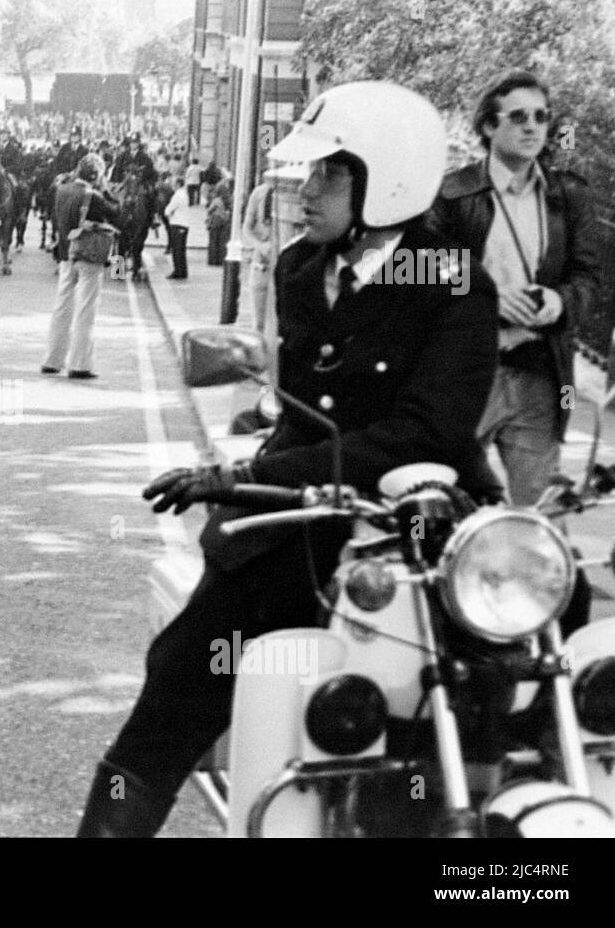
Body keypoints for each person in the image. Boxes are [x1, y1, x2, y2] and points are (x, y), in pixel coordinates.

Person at [75, 80, 505, 837]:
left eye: (327, 174)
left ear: (386, 180)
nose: (305, 192)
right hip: (301, 523)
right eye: (308, 175)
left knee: (505, 681)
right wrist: (244, 491)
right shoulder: (305, 266)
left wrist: (248, 477)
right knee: (179, 678)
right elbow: (302, 414)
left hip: (413, 529)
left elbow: (423, 434)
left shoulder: (454, 283)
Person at [429, 69, 601, 506]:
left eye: (541, 117)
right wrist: (488, 298)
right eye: (519, 116)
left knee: (537, 517)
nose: (532, 127)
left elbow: (589, 278)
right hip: (465, 376)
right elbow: (417, 270)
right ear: (489, 125)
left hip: (538, 376)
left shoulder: (567, 197)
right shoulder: (451, 195)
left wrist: (558, 301)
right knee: (444, 507)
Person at [41, 153, 123, 381]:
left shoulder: (62, 190)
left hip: (66, 254)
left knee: (61, 307)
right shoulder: (93, 196)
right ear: (96, 175)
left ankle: (52, 360)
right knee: (86, 310)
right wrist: (106, 191)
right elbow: (118, 216)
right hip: (88, 256)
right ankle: (79, 364)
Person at [241, 179, 276, 332]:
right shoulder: (260, 193)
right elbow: (246, 230)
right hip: (262, 265)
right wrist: (261, 246)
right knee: (259, 324)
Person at [162, 176, 190, 279]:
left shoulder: (177, 195)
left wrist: (168, 212)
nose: (172, 185)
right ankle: (183, 271)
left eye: (174, 183)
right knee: (181, 250)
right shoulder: (184, 194)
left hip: (177, 224)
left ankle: (177, 272)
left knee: (177, 250)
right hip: (184, 225)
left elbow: (167, 210)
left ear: (178, 184)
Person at [205, 184, 230, 266]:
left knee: (213, 241)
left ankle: (213, 260)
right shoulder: (229, 200)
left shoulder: (217, 200)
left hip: (215, 221)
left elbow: (210, 210)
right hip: (225, 221)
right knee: (222, 241)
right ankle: (221, 260)